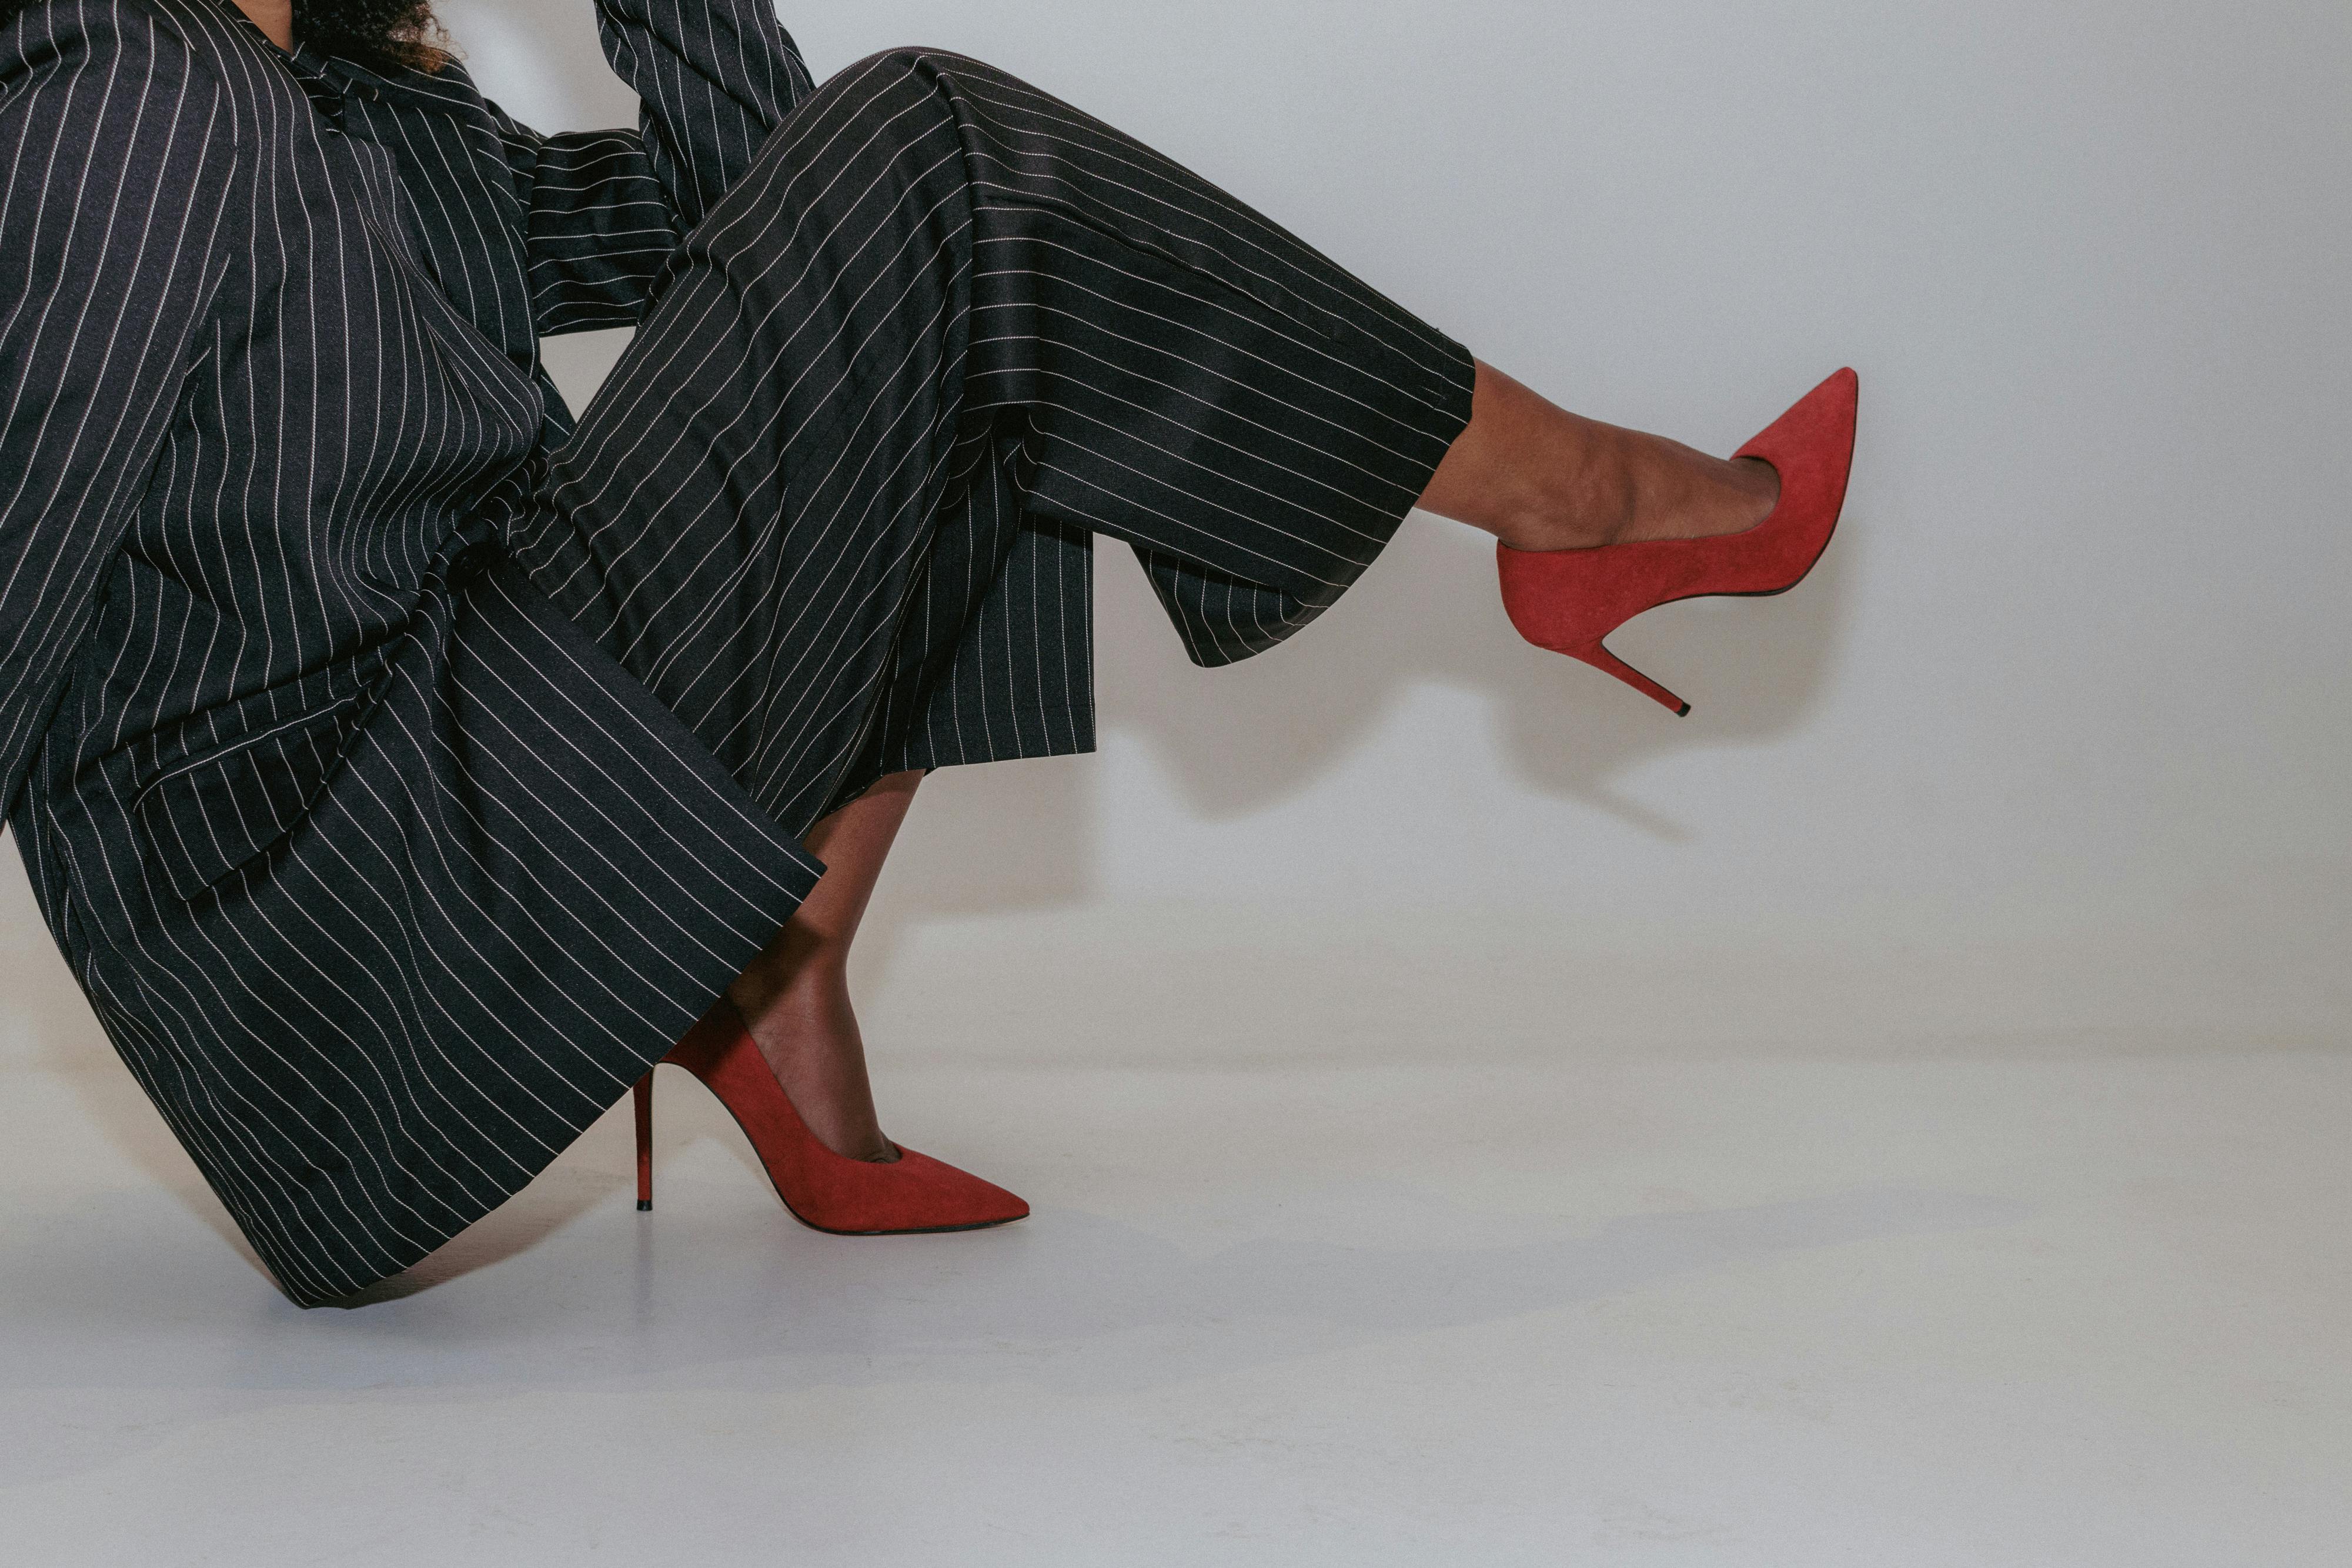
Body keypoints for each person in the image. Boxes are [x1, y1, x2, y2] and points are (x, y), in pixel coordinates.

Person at [0, 0, 1856, 1305]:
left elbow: (761, 200)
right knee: (944, 159)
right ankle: (1594, 505)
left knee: (980, 275)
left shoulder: (357, 105)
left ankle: (778, 1003)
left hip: (480, 806)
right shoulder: (124, 92)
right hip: (353, 990)